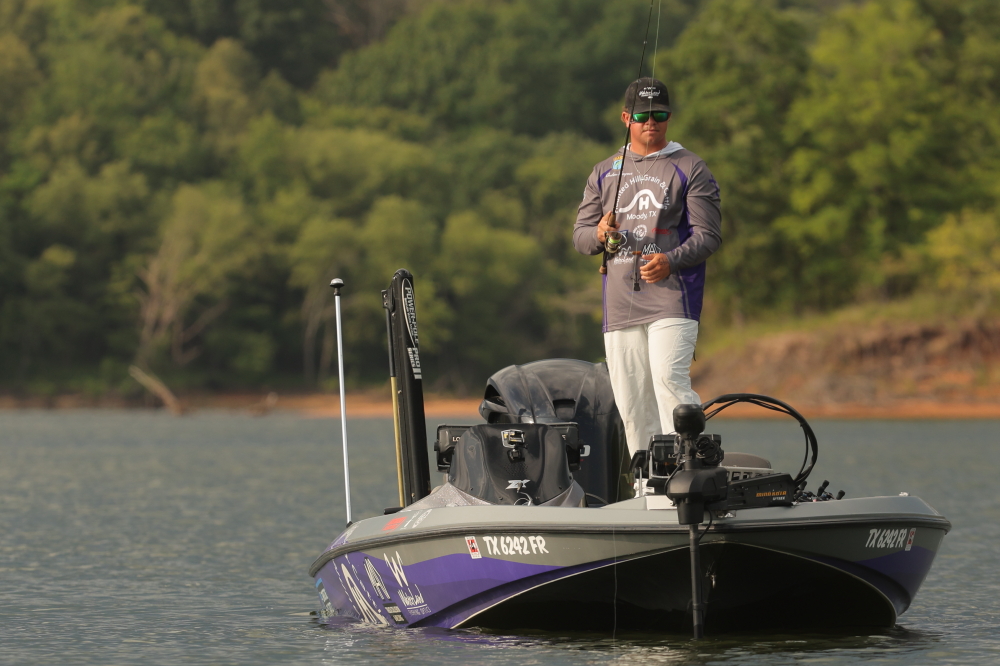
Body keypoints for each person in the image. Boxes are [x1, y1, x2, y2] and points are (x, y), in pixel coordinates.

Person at [573, 77, 722, 459]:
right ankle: (647, 485)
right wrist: (600, 233)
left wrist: (670, 260)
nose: (651, 122)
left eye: (659, 115)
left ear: (669, 117)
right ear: (626, 118)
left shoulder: (690, 166)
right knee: (632, 402)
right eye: (642, 116)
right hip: (620, 303)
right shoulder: (604, 171)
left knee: (669, 381)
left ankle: (690, 471)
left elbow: (709, 236)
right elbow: (581, 237)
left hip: (673, 300)